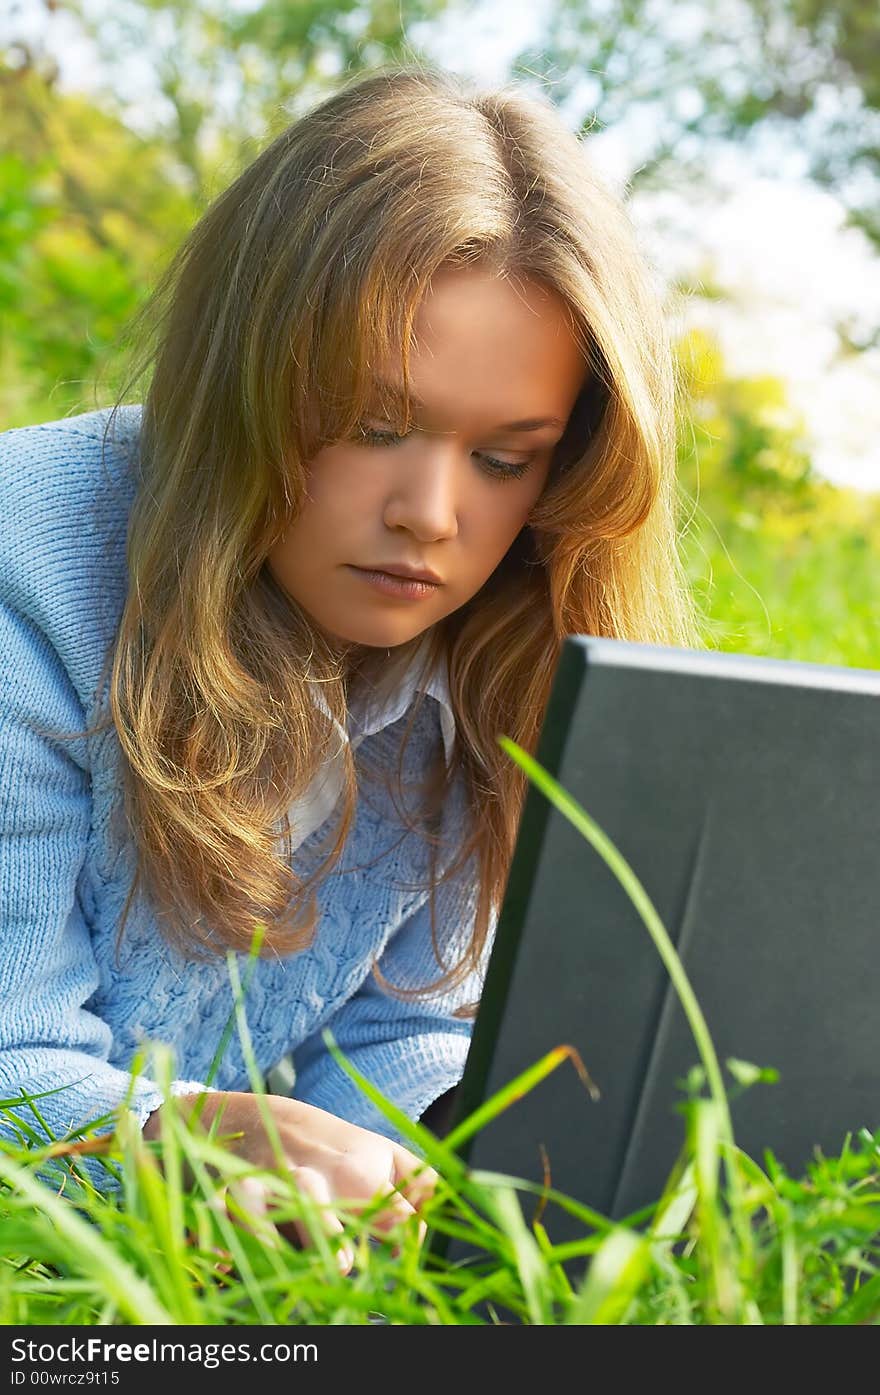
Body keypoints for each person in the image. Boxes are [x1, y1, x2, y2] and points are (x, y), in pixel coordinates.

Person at [0, 62, 699, 1271]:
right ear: (242, 381)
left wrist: (456, 1150)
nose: (430, 515)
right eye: (373, 428)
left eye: (504, 458)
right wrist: (177, 1141)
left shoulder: (500, 647)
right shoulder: (32, 580)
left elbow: (394, 1020)